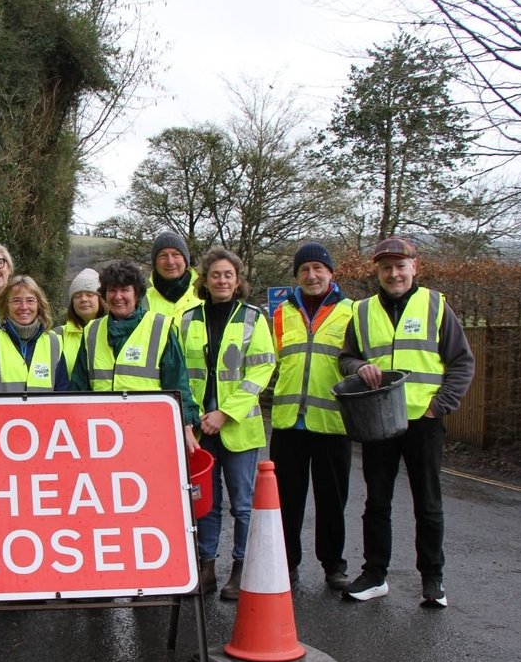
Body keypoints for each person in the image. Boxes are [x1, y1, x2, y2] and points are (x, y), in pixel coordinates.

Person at [338, 236, 474, 607]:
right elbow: (347, 358)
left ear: (415, 266)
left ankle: (432, 579)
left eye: (400, 266)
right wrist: (360, 366)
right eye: (386, 267)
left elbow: (462, 362)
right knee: (376, 502)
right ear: (378, 272)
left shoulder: (435, 306)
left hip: (422, 420)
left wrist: (439, 406)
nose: (394, 273)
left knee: (427, 502)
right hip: (377, 419)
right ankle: (375, 574)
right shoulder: (362, 311)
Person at [178, 247, 276, 598]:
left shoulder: (253, 317)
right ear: (204, 280)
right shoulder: (188, 319)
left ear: (238, 282)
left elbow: (262, 369)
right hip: (199, 430)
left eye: (228, 275)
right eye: (215, 275)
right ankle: (206, 568)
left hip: (238, 427)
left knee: (242, 504)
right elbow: (180, 373)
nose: (221, 280)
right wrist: (193, 417)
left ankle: (241, 568)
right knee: (206, 502)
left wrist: (225, 413)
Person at [271, 242, 354, 592]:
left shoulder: (352, 312)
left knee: (332, 499)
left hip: (333, 422)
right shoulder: (280, 313)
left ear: (331, 273)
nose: (312, 275)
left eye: (318, 268)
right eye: (304, 269)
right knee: (286, 500)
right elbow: (270, 362)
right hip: (289, 421)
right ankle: (287, 564)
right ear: (296, 276)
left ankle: (333, 565)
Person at [69, 259, 200, 453]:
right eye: (112, 290)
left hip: (148, 433)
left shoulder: (160, 327)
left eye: (125, 290)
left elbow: (178, 384)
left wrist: (186, 425)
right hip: (101, 435)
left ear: (137, 293)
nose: (118, 296)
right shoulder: (92, 331)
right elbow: (79, 387)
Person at [0, 275, 70, 393]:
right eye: (16, 301)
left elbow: (62, 395)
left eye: (30, 300)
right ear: (6, 305)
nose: (24, 307)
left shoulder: (54, 343)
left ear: (39, 305)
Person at [54, 267, 105, 374]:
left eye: (90, 295)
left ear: (101, 299)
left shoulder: (112, 331)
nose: (83, 299)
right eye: (77, 296)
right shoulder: (57, 335)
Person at [144, 231, 202, 323]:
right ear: (155, 262)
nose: (170, 262)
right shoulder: (142, 301)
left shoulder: (203, 297)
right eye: (163, 255)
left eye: (176, 254)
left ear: (185, 260)